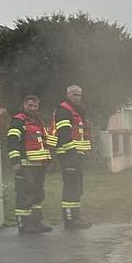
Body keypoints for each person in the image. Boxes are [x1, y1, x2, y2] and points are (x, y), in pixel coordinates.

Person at [6, 93, 54, 234]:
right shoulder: (18, 120)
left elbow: (43, 142)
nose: (33, 108)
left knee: (38, 195)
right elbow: (12, 141)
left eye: (35, 106)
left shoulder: (38, 122)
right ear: (24, 105)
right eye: (30, 105)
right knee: (25, 195)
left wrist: (47, 159)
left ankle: (36, 222)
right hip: (25, 164)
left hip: (39, 165)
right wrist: (15, 161)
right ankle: (24, 224)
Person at [50, 82, 91, 230]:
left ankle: (76, 217)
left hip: (76, 155)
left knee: (77, 187)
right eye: (75, 94)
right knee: (71, 187)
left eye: (80, 95)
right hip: (68, 155)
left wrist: (84, 151)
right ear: (68, 95)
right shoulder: (64, 109)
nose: (78, 97)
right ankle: (70, 219)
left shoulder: (76, 111)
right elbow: (64, 133)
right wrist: (72, 152)